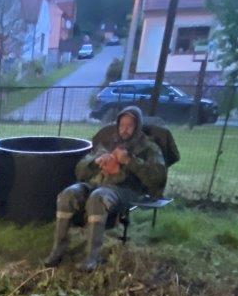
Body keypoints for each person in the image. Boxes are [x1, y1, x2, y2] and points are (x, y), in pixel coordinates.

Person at [45, 105, 167, 271]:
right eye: (122, 125)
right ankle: (58, 249)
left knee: (98, 198)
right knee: (67, 195)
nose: (125, 129)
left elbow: (158, 177)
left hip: (126, 189)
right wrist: (96, 162)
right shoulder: (108, 143)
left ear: (137, 126)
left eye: (129, 125)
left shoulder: (148, 148)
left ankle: (92, 257)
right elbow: (80, 171)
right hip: (96, 183)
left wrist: (129, 161)